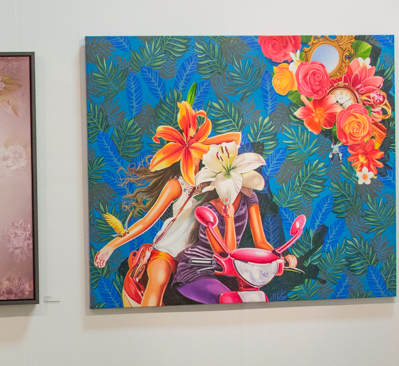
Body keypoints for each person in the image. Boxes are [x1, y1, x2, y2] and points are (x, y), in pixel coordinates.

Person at [94, 101, 240, 306]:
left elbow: (236, 138)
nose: (194, 147)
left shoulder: (211, 179)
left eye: (196, 140)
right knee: (159, 278)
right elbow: (146, 222)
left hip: (193, 260)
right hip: (166, 252)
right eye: (187, 143)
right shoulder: (176, 185)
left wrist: (197, 143)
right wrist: (111, 245)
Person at [172, 190, 298, 304]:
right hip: (199, 268)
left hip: (229, 271)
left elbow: (260, 241)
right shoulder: (208, 209)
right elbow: (226, 253)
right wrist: (229, 218)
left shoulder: (249, 196)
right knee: (231, 301)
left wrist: (280, 259)